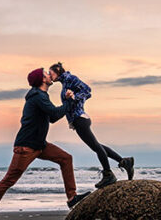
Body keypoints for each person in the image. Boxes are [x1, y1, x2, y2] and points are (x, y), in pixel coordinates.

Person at [0, 67, 90, 220]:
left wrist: (66, 102)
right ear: (41, 80)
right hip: (26, 147)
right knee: (9, 180)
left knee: (66, 158)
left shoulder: (41, 96)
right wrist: (69, 101)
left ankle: (72, 198)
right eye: (46, 74)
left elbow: (51, 118)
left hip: (40, 145)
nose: (49, 75)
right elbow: (55, 114)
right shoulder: (37, 96)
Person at [50, 61, 134, 189]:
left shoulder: (70, 78)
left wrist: (74, 96)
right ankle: (124, 162)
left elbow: (88, 91)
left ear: (57, 71)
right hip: (78, 120)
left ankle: (108, 174)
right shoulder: (65, 82)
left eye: (51, 74)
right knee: (96, 146)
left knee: (95, 146)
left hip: (80, 119)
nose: (50, 77)